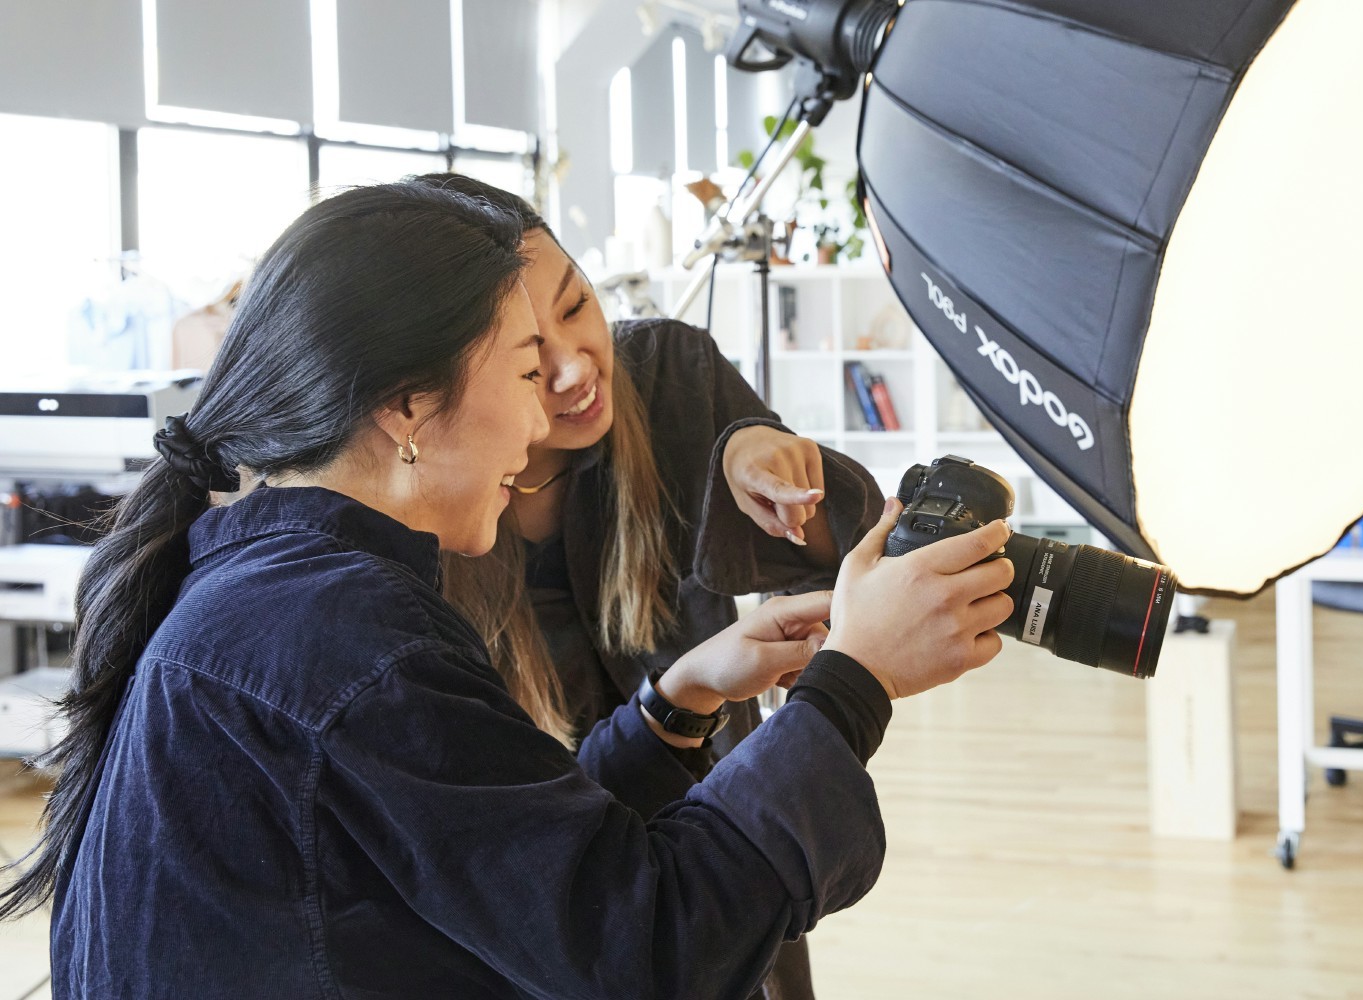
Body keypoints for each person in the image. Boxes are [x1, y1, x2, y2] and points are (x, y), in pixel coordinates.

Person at [0, 182, 1016, 999]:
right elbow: (644, 944)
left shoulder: (276, 592)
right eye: (526, 370)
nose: (545, 423)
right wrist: (850, 686)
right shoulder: (347, 637)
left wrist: (674, 701)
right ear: (407, 403)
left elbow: (510, 854)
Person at [416, 173, 881, 998]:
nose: (572, 368)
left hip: (713, 818)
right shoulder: (437, 515)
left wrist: (750, 453)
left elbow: (828, 549)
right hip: (548, 872)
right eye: (527, 359)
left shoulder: (666, 371)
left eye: (575, 305)